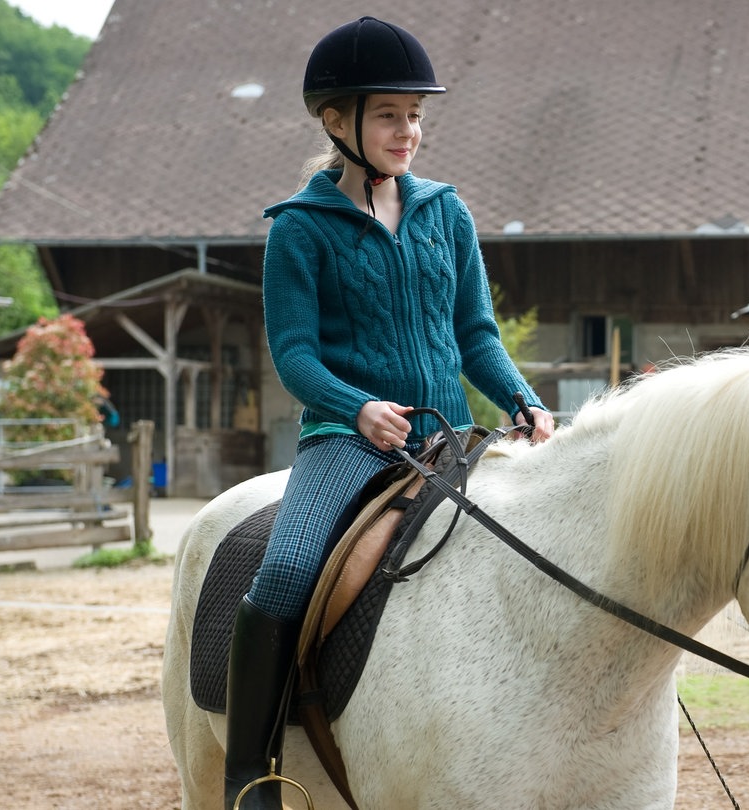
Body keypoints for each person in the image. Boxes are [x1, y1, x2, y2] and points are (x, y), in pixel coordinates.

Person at [222, 17, 556, 809]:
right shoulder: (299, 230)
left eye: (415, 114)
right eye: (388, 115)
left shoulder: (447, 213)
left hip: (453, 436)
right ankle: (249, 774)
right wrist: (357, 406)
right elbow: (295, 355)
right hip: (348, 442)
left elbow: (476, 334)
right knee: (287, 572)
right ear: (336, 123)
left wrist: (524, 399)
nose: (407, 130)